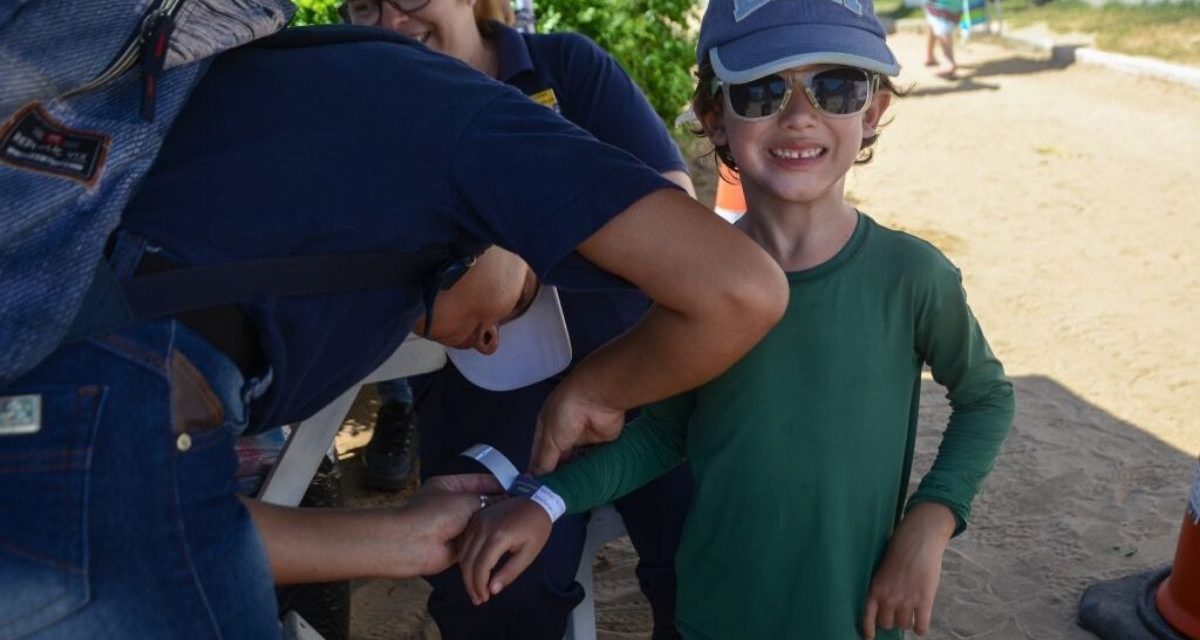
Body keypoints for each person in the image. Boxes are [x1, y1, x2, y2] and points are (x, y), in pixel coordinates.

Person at [0, 14, 790, 640]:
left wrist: (396, 540)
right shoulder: (458, 116)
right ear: (498, 219)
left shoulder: (294, 112)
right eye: (517, 305)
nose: (486, 338)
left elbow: (150, 507)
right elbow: (740, 290)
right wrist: (596, 388)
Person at [456, 0, 1016, 639]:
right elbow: (664, 435)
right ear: (713, 119)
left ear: (874, 110)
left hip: (854, 616)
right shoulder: (699, 294)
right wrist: (547, 502)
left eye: (835, 86)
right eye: (761, 90)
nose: (800, 115)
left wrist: (930, 523)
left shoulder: (913, 277)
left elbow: (987, 398)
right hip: (714, 614)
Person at [341, 0, 698, 636]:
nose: (393, 22)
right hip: (486, 396)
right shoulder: (366, 107)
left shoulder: (566, 67)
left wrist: (522, 239)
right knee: (493, 585)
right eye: (364, 5)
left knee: (707, 545)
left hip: (637, 374)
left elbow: (677, 203)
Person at [923, 0, 962, 78]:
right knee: (931, 23)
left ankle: (949, 62)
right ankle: (930, 56)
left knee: (942, 30)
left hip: (941, 7)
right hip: (949, 6)